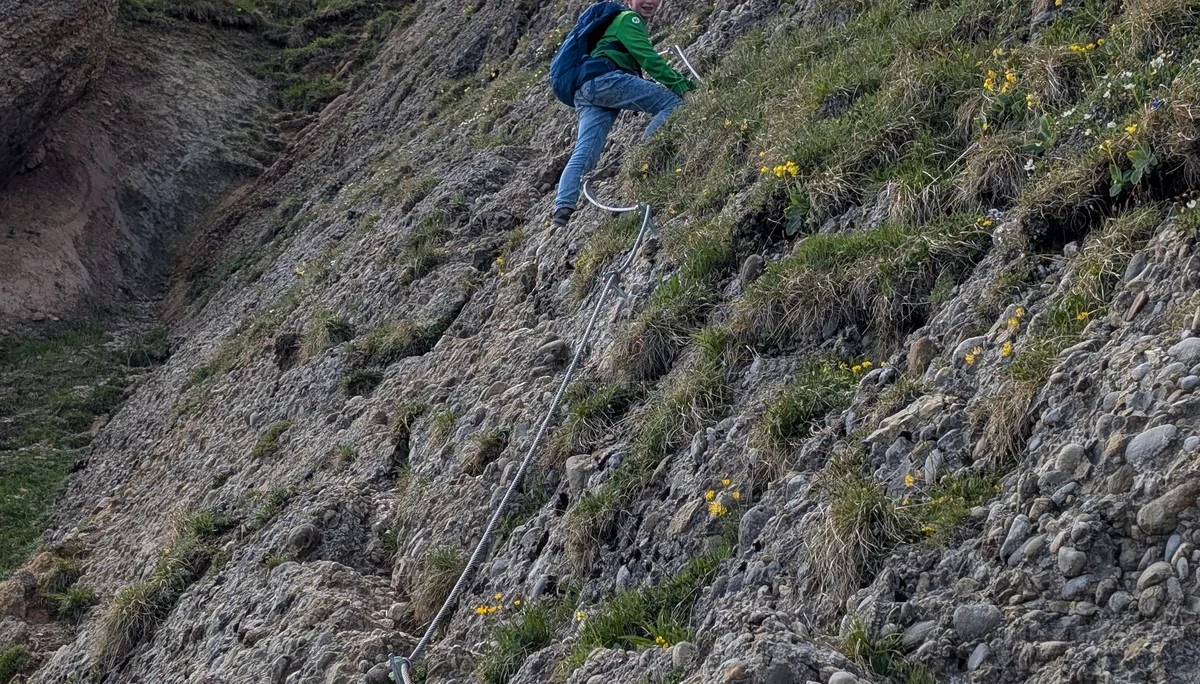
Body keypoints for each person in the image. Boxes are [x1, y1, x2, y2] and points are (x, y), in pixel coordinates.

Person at [551, 0, 696, 228]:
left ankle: (563, 207)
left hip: (585, 89)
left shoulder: (613, 23)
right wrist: (684, 86)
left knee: (585, 151)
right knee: (672, 103)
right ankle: (645, 159)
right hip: (604, 81)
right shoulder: (630, 19)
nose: (650, 2)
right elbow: (648, 58)